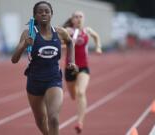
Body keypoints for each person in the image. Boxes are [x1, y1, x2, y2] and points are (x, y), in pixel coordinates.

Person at [11, 1, 77, 135]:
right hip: (34, 81)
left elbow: (70, 43)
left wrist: (71, 61)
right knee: (41, 120)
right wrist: (24, 45)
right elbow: (14, 59)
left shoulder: (59, 32)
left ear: (52, 14)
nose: (44, 14)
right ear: (35, 16)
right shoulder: (28, 34)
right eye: (40, 12)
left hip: (53, 80)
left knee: (53, 118)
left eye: (47, 11)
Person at [63, 11, 102, 134]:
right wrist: (65, 44)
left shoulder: (87, 30)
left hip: (83, 67)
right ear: (72, 19)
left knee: (81, 92)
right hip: (70, 67)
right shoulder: (68, 31)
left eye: (80, 17)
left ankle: (79, 122)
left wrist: (98, 47)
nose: (78, 19)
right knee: (73, 95)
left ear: (83, 19)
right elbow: (60, 43)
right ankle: (79, 117)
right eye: (76, 17)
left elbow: (96, 36)